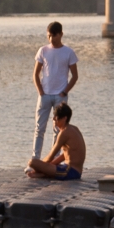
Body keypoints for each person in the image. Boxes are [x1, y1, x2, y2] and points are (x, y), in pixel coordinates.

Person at [32, 20, 78, 160]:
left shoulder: (68, 52)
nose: (52, 38)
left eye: (54, 35)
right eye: (49, 36)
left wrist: (64, 92)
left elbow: (75, 76)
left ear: (61, 34)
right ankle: (35, 159)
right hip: (45, 95)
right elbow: (36, 73)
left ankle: (54, 161)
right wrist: (40, 91)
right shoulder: (43, 50)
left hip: (60, 96)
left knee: (58, 130)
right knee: (39, 129)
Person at [27, 103, 86, 181]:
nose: (54, 119)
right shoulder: (74, 128)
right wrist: (47, 166)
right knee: (42, 165)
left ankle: (43, 174)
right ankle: (44, 174)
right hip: (74, 170)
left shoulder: (64, 133)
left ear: (64, 118)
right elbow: (65, 155)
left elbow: (50, 157)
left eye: (56, 117)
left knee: (32, 162)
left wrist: (39, 166)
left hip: (70, 172)